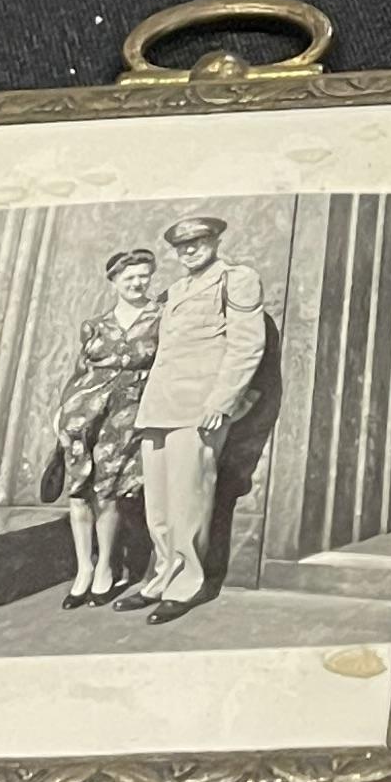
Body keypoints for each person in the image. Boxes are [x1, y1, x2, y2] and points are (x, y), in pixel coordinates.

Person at [121, 214, 269, 624]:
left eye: (198, 242)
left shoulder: (236, 279)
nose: (188, 250)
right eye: (181, 245)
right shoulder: (175, 290)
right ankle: (159, 579)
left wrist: (222, 401)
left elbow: (247, 345)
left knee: (189, 499)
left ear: (216, 241)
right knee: (159, 502)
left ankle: (186, 584)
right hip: (159, 405)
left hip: (199, 407)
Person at [48, 247, 162, 606]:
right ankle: (83, 568)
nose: (137, 283)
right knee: (79, 492)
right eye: (129, 277)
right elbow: (79, 372)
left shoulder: (161, 318)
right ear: (113, 281)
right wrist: (61, 411)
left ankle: (105, 569)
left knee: (107, 492)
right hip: (82, 413)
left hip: (127, 415)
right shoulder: (95, 324)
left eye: (143, 275)